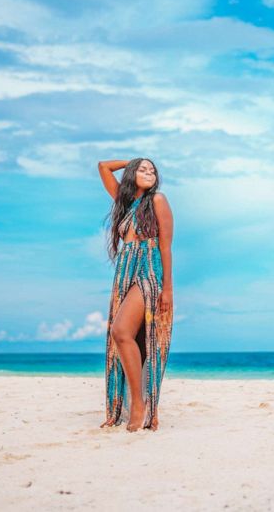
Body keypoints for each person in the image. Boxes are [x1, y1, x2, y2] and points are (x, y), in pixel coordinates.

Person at [97, 158, 174, 432]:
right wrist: (133, 161)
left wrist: (168, 290)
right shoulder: (125, 203)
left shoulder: (158, 201)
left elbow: (165, 248)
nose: (149, 172)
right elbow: (103, 166)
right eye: (143, 170)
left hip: (148, 273)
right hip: (124, 275)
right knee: (127, 338)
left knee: (121, 331)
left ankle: (140, 405)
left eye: (152, 170)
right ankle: (132, 403)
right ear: (131, 174)